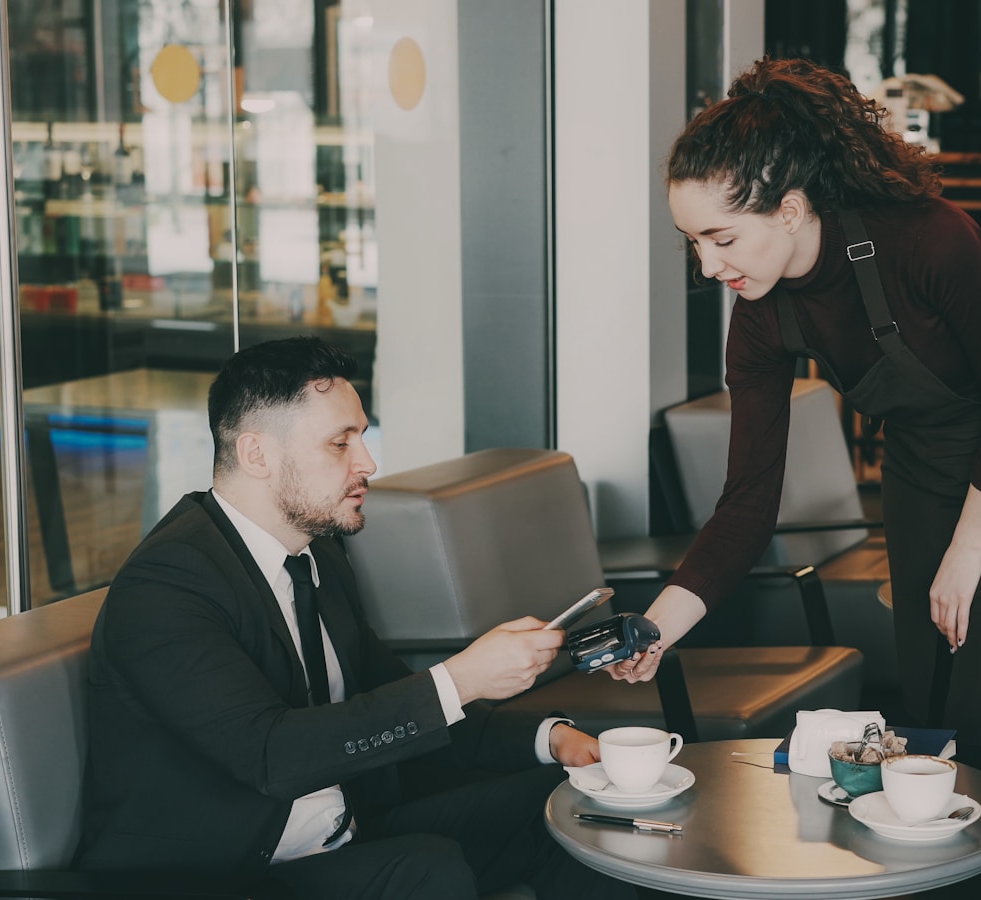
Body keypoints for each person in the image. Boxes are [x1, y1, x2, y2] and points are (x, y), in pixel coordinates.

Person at [611, 56, 981, 802]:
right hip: (926, 454)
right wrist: (658, 626)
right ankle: (934, 842)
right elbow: (748, 501)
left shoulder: (931, 240)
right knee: (933, 678)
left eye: (721, 238)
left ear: (787, 208)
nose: (708, 266)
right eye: (694, 244)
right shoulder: (758, 322)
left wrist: (967, 550)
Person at [77, 337, 634, 900]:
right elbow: (273, 756)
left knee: (568, 812)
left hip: (344, 831)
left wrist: (552, 739)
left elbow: (390, 697)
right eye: (339, 443)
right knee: (427, 868)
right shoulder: (168, 585)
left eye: (362, 438)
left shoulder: (318, 554)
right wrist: (463, 676)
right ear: (256, 455)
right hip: (221, 872)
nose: (367, 463)